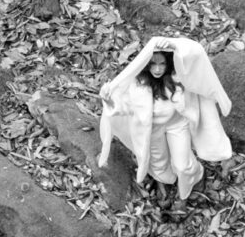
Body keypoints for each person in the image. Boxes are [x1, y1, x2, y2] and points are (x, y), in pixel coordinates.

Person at [98, 36, 232, 219]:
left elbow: (196, 54)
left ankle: (187, 189)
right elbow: (125, 108)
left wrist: (174, 45)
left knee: (183, 165)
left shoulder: (178, 77)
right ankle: (163, 182)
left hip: (178, 124)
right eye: (153, 64)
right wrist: (109, 100)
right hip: (153, 129)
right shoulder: (138, 86)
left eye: (162, 63)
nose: (158, 69)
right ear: (146, 65)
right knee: (158, 162)